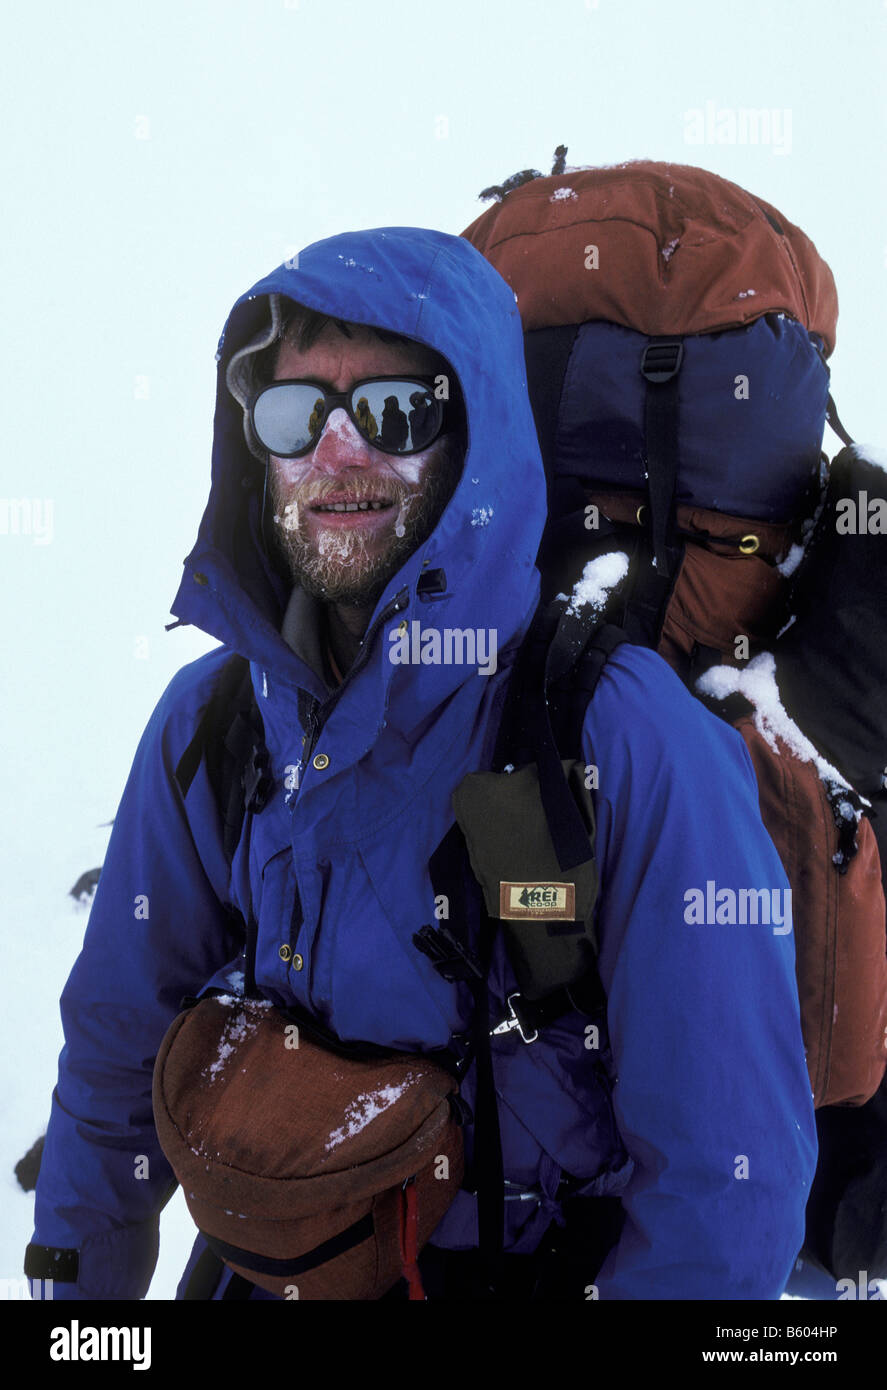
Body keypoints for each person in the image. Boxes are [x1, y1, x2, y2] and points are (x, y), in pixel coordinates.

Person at [26, 226, 816, 1301]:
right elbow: (116, 1058)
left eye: (395, 413)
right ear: (255, 448)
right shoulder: (209, 725)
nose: (337, 455)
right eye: (295, 414)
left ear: (471, 440)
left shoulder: (625, 741)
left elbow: (727, 1191)